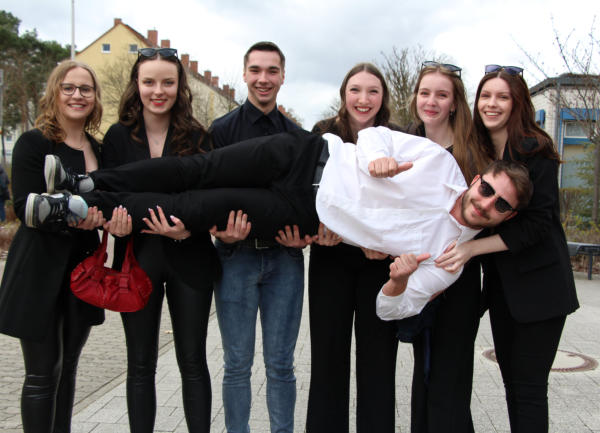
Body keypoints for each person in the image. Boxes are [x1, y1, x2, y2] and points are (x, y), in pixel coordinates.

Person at [29, 127, 531, 308]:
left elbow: (393, 310)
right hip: (304, 154)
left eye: (500, 206)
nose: (486, 203)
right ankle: (87, 182)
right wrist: (378, 156)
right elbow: (375, 135)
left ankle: (77, 209)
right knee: (195, 169)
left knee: (197, 207)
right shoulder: (439, 162)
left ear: (505, 217)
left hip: (301, 212)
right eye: (488, 189)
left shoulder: (449, 258)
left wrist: (397, 282)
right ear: (477, 178)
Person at [434, 65, 580, 432]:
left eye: (502, 97)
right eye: (485, 95)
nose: (492, 104)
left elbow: (538, 224)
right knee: (512, 386)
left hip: (541, 289)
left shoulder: (536, 149)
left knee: (528, 390)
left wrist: (472, 250)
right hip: (503, 290)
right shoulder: (478, 150)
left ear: (518, 104)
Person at [0, 60, 128, 433]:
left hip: (82, 269)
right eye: (68, 87)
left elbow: (111, 199)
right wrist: (79, 215)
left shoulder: (99, 149)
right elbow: (24, 206)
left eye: (85, 89)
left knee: (68, 367)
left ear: (95, 97)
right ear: (54, 92)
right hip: (38, 268)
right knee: (42, 373)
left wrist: (104, 217)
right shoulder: (35, 143)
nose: (77, 95)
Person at [99, 47, 218, 433]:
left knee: (192, 361)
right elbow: (109, 195)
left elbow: (210, 198)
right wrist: (115, 225)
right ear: (137, 84)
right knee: (139, 364)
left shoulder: (198, 136)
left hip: (190, 256)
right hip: (138, 257)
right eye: (149, 81)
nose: (158, 91)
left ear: (179, 86)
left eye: (167, 82)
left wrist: (190, 228)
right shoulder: (117, 137)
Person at [209, 41, 304, 433]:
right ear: (245, 73)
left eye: (272, 71)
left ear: (282, 76)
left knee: (281, 365)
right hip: (236, 258)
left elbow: (305, 201)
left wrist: (305, 236)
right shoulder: (221, 131)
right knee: (236, 365)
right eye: (256, 70)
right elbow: (206, 193)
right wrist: (217, 229)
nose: (264, 79)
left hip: (285, 260)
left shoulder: (298, 137)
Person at [305, 63, 402, 433]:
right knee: (327, 359)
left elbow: (403, 202)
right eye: (355, 90)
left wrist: (386, 243)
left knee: (378, 362)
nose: (364, 99)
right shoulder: (323, 133)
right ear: (344, 94)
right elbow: (308, 190)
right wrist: (317, 229)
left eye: (373, 91)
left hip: (379, 262)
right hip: (330, 257)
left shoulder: (395, 137)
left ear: (383, 97)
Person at [403, 61, 480, 433]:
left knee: (450, 375)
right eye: (425, 93)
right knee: (425, 371)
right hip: (419, 274)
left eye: (441, 95)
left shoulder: (472, 152)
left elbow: (485, 214)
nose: (431, 101)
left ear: (454, 103)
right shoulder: (405, 145)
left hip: (457, 275)